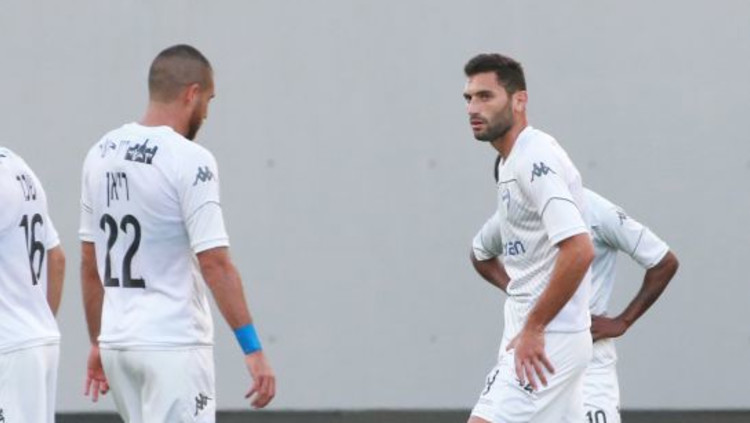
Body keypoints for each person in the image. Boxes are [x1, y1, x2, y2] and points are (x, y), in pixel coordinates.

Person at [79, 44, 275, 422]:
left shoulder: (100, 153)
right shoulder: (189, 159)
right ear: (192, 93)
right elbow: (215, 264)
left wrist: (97, 341)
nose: (207, 113)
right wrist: (253, 349)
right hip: (172, 344)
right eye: (209, 101)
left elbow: (90, 263)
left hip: (118, 345)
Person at [464, 53, 594, 423]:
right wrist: (520, 296)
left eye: (485, 96)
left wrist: (535, 324)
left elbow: (579, 249)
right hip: (537, 338)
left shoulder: (535, 157)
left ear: (519, 100)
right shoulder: (509, 162)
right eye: (468, 98)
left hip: (549, 340)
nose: (473, 108)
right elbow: (480, 253)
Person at [581, 188, 678, 423]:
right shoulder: (514, 212)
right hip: (533, 354)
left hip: (588, 355)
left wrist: (623, 321)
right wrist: (516, 290)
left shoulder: (597, 211)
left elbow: (664, 261)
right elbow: (488, 252)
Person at [0, 147, 65, 423]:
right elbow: (57, 258)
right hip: (38, 338)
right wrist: (36, 319)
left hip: (8, 346)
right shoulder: (17, 166)